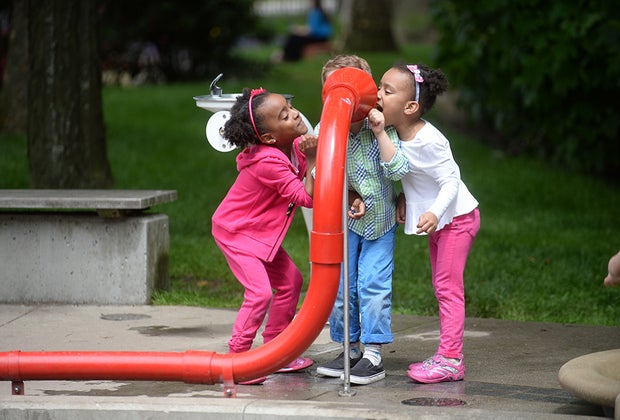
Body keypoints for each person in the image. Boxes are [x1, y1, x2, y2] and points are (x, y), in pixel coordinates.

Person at [371, 63, 480, 384]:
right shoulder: (396, 133)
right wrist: (406, 198)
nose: (377, 94)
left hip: (457, 218)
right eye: (380, 86)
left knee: (448, 289)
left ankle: (451, 360)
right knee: (442, 287)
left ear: (410, 107)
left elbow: (450, 180)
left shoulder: (430, 140)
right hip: (441, 221)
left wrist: (433, 212)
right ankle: (447, 354)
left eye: (386, 91)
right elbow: (410, 172)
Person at [315, 55, 410, 385]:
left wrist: (381, 132)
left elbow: (398, 170)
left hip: (380, 225)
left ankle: (372, 354)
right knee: (342, 288)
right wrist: (350, 197)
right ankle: (348, 348)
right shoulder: (328, 129)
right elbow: (322, 178)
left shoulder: (382, 126)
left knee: (372, 285)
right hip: (345, 225)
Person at [212, 87, 318, 384]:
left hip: (257, 234)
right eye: (284, 115)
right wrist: (312, 160)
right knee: (259, 294)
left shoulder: (292, 146)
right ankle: (237, 361)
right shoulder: (267, 161)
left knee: (291, 281)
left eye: (290, 106)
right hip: (236, 233)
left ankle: (275, 350)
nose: (295, 114)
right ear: (270, 137)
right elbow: (305, 198)